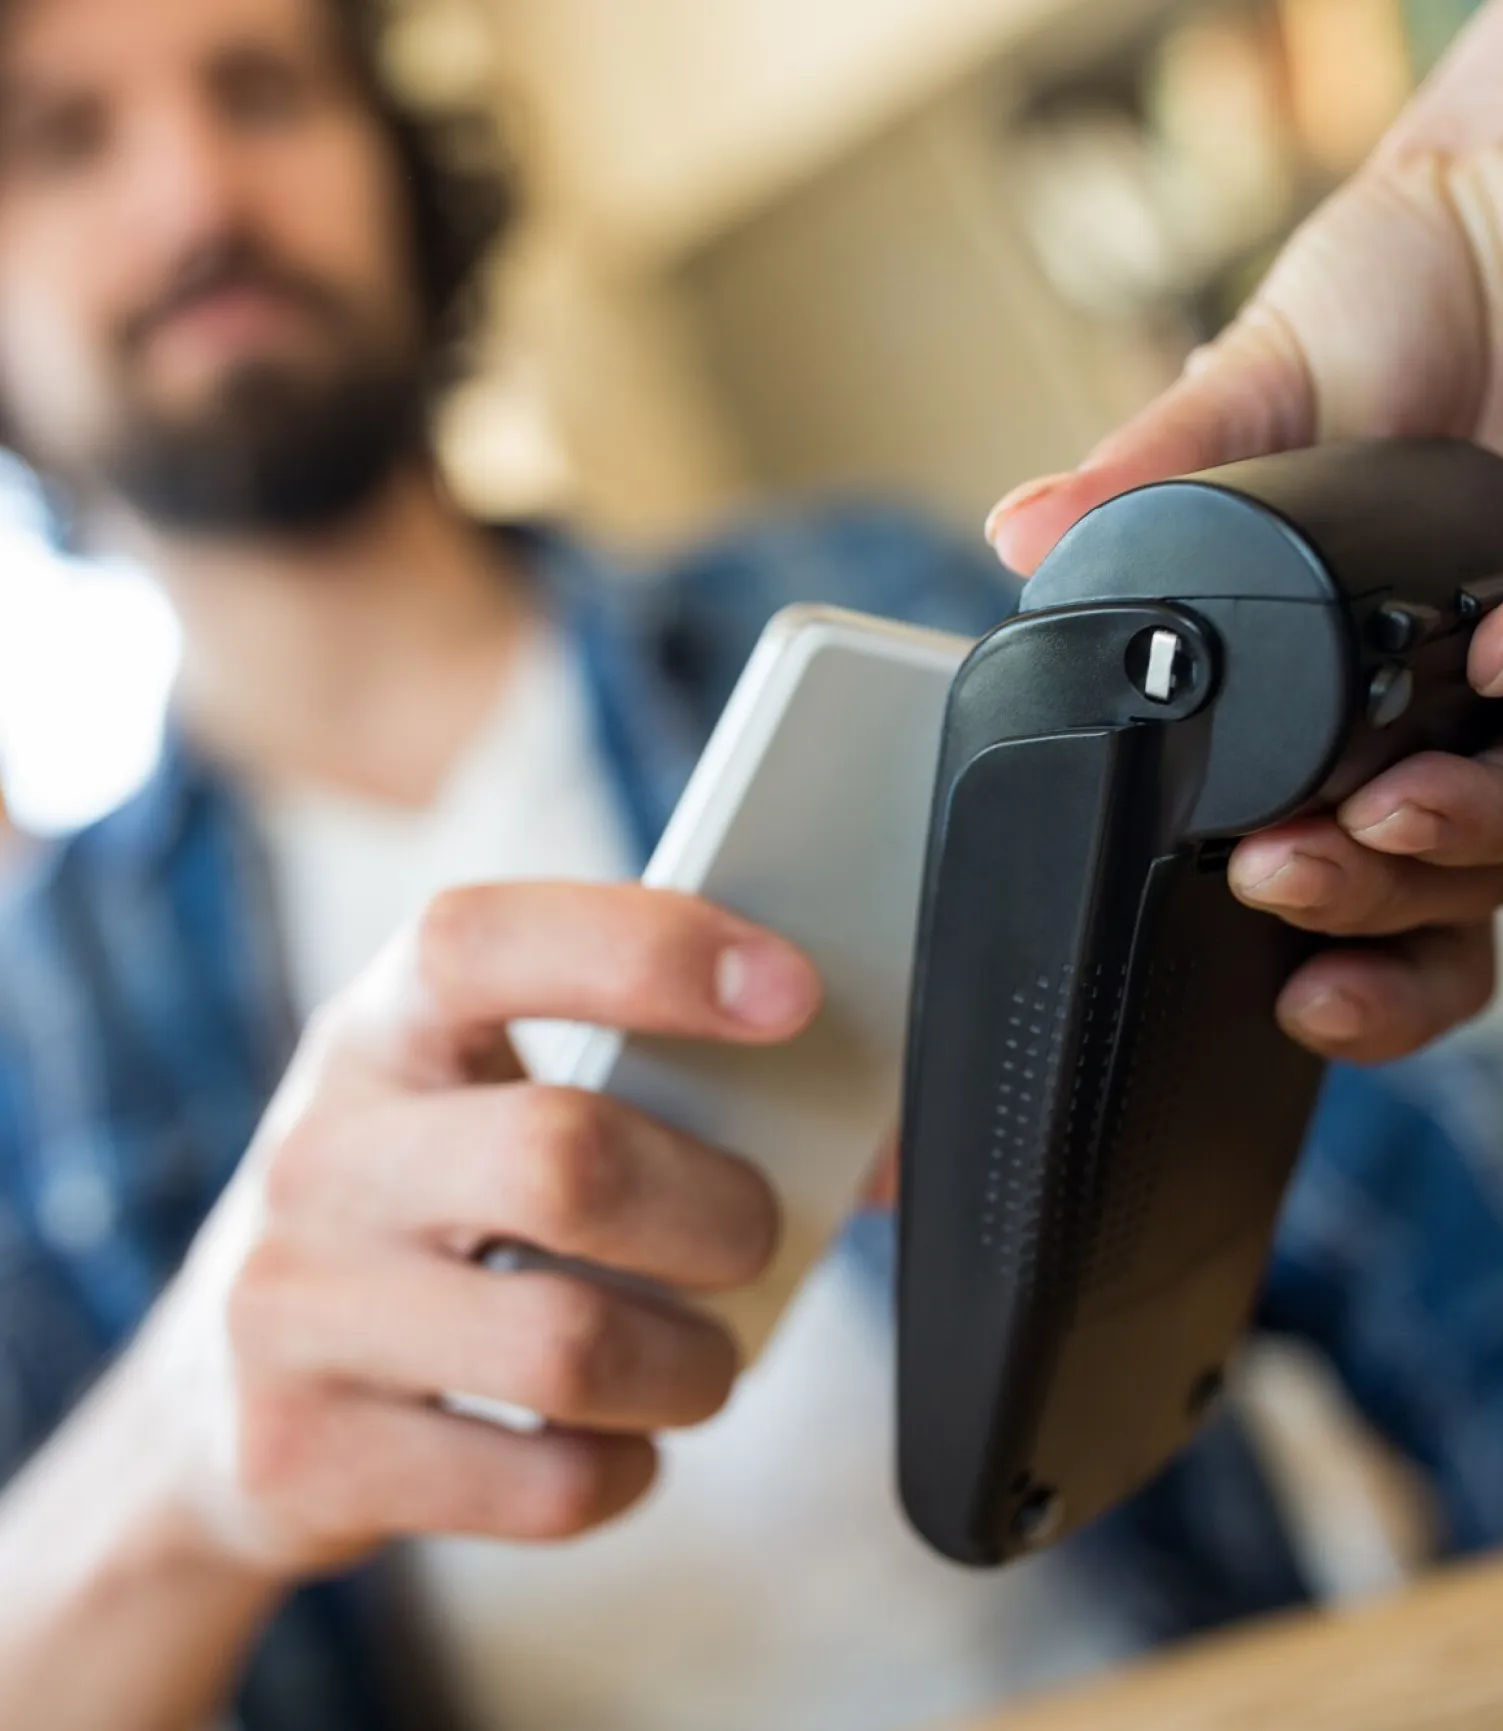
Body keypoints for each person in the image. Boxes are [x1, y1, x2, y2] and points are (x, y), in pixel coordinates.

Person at [0, 0, 1497, 1728]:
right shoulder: (33, 1042)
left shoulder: (895, 615)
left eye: (261, 90)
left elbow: (1430, 1227)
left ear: (396, 165)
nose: (195, 192)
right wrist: (177, 1459)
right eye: (61, 139)